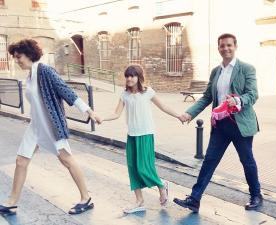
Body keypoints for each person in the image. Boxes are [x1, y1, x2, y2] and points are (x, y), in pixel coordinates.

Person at [0, 39, 101, 215]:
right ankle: (12, 202)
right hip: (35, 127)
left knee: (66, 160)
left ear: (29, 55)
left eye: (19, 57)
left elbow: (66, 90)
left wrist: (89, 111)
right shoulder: (30, 75)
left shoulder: (44, 71)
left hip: (51, 125)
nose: (17, 60)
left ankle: (86, 198)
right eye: (15, 57)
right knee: (21, 161)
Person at [173, 33, 263, 213]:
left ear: (235, 46)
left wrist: (237, 101)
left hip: (240, 124)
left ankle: (256, 195)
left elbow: (253, 94)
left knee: (247, 161)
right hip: (220, 125)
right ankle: (195, 199)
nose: (225, 48)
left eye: (229, 45)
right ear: (218, 48)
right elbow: (207, 97)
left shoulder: (246, 69)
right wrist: (189, 113)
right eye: (222, 46)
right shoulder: (216, 71)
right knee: (209, 161)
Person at [100, 65, 182, 214]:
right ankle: (139, 201)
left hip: (145, 134)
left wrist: (178, 116)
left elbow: (163, 106)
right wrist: (102, 118)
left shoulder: (148, 92)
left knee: (144, 167)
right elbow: (116, 114)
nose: (129, 78)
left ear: (138, 77)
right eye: (127, 76)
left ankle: (161, 185)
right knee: (133, 168)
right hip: (132, 135)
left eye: (132, 76)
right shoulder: (124, 95)